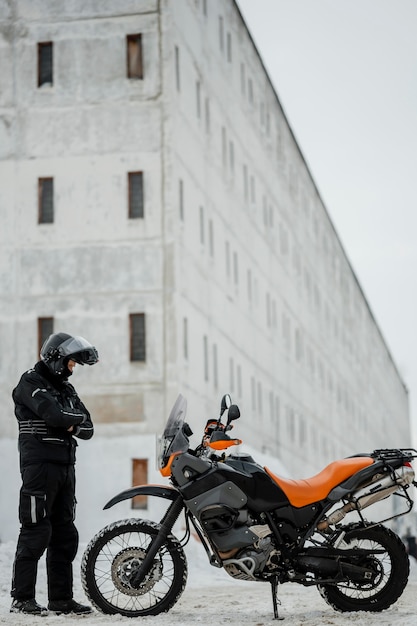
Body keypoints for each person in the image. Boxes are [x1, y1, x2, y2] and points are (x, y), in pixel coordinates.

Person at [10, 332, 99, 616]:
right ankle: (22, 598)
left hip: (65, 467)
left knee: (64, 533)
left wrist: (70, 420)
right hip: (39, 467)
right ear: (56, 357)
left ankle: (61, 599)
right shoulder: (31, 381)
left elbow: (88, 427)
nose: (73, 368)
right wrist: (69, 420)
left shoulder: (66, 389)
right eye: (71, 362)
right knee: (36, 531)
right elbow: (54, 416)